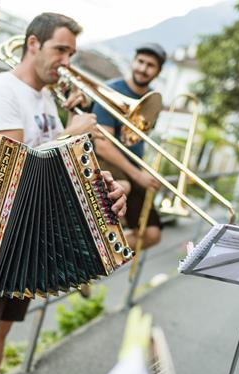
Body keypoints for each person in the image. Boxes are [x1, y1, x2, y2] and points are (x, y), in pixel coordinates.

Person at [0, 12, 127, 374]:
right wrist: (72, 133)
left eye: (72, 52)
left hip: (28, 237)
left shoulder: (48, 97)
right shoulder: (0, 89)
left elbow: (55, 169)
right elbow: (11, 166)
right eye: (60, 49)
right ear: (33, 44)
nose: (67, 61)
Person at [92, 43, 167, 250]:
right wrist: (138, 175)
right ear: (133, 62)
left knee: (151, 233)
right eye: (140, 61)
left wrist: (144, 172)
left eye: (150, 65)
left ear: (158, 72)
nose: (143, 68)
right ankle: (93, 259)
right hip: (111, 167)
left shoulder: (152, 100)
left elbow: (138, 140)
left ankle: (99, 256)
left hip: (133, 169)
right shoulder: (112, 91)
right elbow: (102, 145)